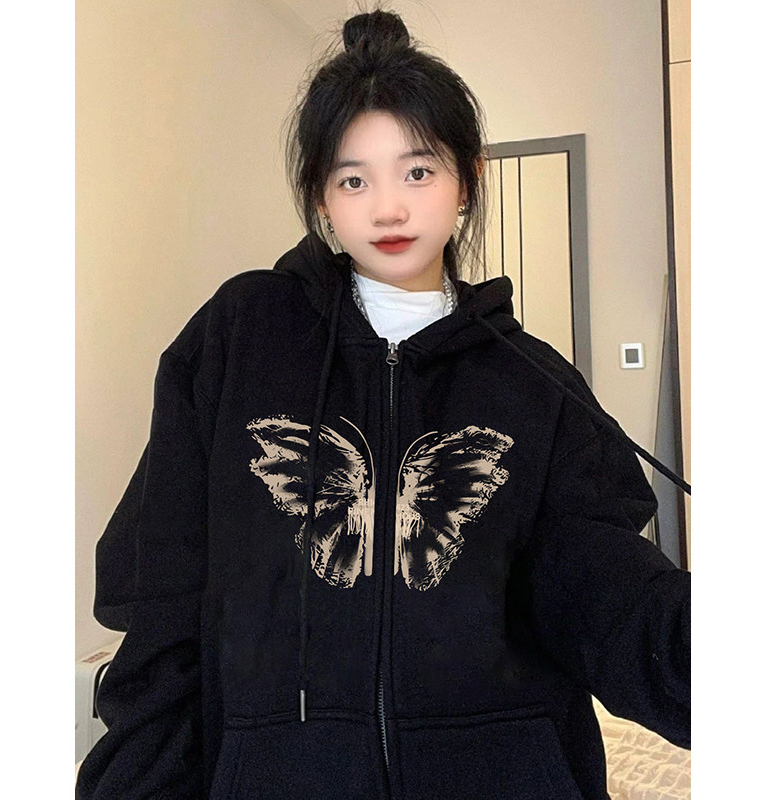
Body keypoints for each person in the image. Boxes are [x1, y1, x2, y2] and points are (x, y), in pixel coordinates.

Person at [76, 8, 690, 799]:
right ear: (321, 198)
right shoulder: (239, 338)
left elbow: (606, 600)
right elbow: (163, 595)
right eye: (353, 179)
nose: (388, 209)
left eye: (418, 172)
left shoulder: (536, 384)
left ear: (467, 180)